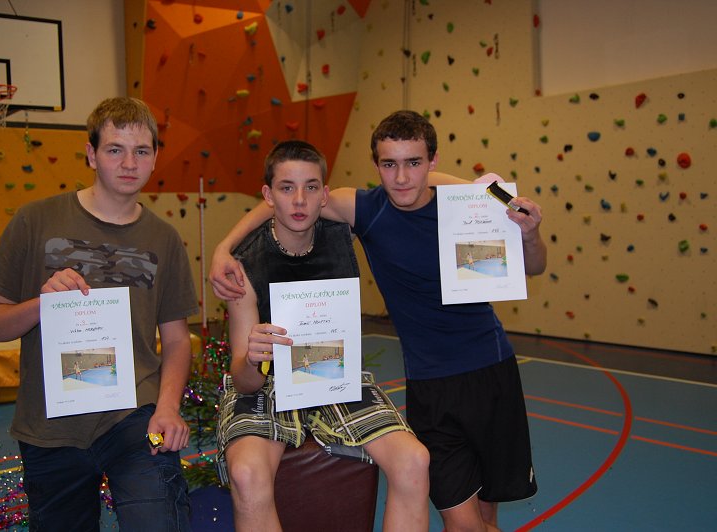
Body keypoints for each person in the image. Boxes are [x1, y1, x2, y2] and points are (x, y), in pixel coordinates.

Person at [210, 111, 546, 531]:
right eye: (389, 164)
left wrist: (500, 206)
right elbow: (289, 201)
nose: (402, 177)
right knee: (464, 522)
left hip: (486, 369)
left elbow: (532, 265)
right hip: (425, 382)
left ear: (431, 162)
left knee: (472, 507)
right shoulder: (357, 215)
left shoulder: (451, 210)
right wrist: (224, 248)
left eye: (414, 163)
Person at [0, 97, 198, 531]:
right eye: (115, 149)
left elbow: (175, 339)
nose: (129, 163)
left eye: (141, 151)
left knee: (159, 522)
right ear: (91, 154)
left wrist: (168, 408)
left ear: (155, 157)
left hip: (135, 416)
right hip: (50, 426)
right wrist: (42, 305)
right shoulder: (35, 221)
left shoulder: (164, 238)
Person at [216, 140, 430, 531]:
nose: (299, 200)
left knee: (414, 460)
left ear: (325, 195)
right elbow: (245, 382)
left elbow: (419, 182)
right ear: (268, 195)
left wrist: (487, 188)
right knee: (246, 473)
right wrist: (252, 358)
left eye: (311, 187)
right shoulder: (244, 265)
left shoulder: (342, 232)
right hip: (269, 385)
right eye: (286, 188)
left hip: (335, 377)